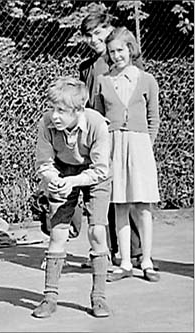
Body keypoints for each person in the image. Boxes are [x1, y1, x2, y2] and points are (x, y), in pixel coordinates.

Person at [32, 77, 111, 319]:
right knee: (58, 233)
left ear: (79, 110)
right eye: (52, 108)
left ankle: (99, 298)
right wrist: (53, 179)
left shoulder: (97, 124)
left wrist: (74, 182)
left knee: (96, 232)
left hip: (95, 175)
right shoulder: (46, 124)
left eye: (61, 111)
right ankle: (50, 297)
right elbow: (43, 163)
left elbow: (101, 170)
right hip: (63, 171)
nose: (54, 115)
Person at [79, 10, 152, 269]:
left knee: (128, 196)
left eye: (98, 33)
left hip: (126, 138)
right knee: (102, 194)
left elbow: (141, 100)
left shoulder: (124, 64)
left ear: (109, 29)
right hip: (98, 138)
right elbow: (89, 104)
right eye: (88, 36)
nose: (93, 39)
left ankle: (134, 252)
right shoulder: (86, 68)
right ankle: (103, 251)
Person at [94, 27, 160, 283]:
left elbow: (153, 118)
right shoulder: (104, 82)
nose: (116, 55)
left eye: (120, 50)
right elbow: (99, 119)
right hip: (113, 146)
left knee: (143, 205)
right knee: (119, 204)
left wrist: (146, 145)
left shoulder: (146, 80)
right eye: (111, 52)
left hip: (139, 145)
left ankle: (146, 260)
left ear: (130, 49)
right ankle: (123, 261)